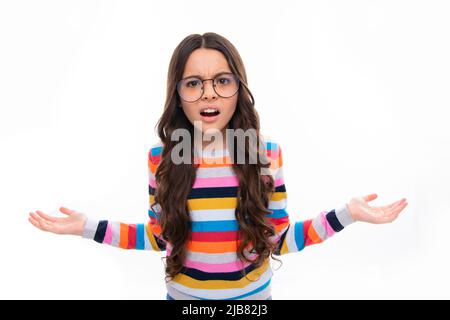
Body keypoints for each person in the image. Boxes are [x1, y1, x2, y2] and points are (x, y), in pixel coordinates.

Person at [28, 32, 408, 300]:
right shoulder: (161, 160)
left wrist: (348, 214)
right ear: (178, 95)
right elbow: (160, 237)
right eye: (193, 83)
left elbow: (277, 238)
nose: (209, 92)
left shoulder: (264, 155)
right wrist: (86, 227)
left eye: (222, 80)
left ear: (238, 88)